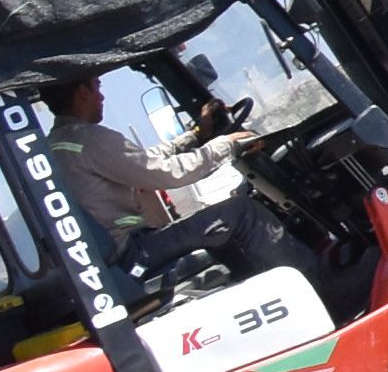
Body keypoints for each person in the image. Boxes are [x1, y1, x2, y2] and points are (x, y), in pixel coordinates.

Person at [37, 75, 262, 300]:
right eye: (97, 87)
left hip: (119, 257)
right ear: (83, 92)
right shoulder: (87, 139)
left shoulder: (57, 146)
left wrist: (195, 135)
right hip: (133, 254)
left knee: (222, 230)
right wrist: (228, 144)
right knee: (241, 210)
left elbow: (142, 159)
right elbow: (165, 172)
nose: (102, 96)